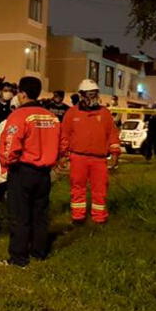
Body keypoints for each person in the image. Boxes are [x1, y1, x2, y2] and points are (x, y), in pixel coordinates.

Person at [0, 77, 61, 268]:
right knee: (40, 214)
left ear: (22, 94)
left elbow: (9, 144)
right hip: (44, 173)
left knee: (20, 215)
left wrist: (6, 164)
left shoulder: (19, 116)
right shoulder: (51, 116)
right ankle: (39, 252)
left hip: (23, 171)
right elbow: (60, 143)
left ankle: (19, 258)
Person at [60, 79, 121, 224]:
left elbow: (112, 134)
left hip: (99, 159)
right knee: (77, 188)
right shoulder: (72, 113)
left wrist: (115, 153)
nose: (91, 97)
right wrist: (63, 155)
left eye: (94, 94)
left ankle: (99, 218)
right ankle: (78, 217)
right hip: (78, 157)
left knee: (100, 189)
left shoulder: (105, 113)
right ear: (81, 95)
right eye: (89, 94)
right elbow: (65, 135)